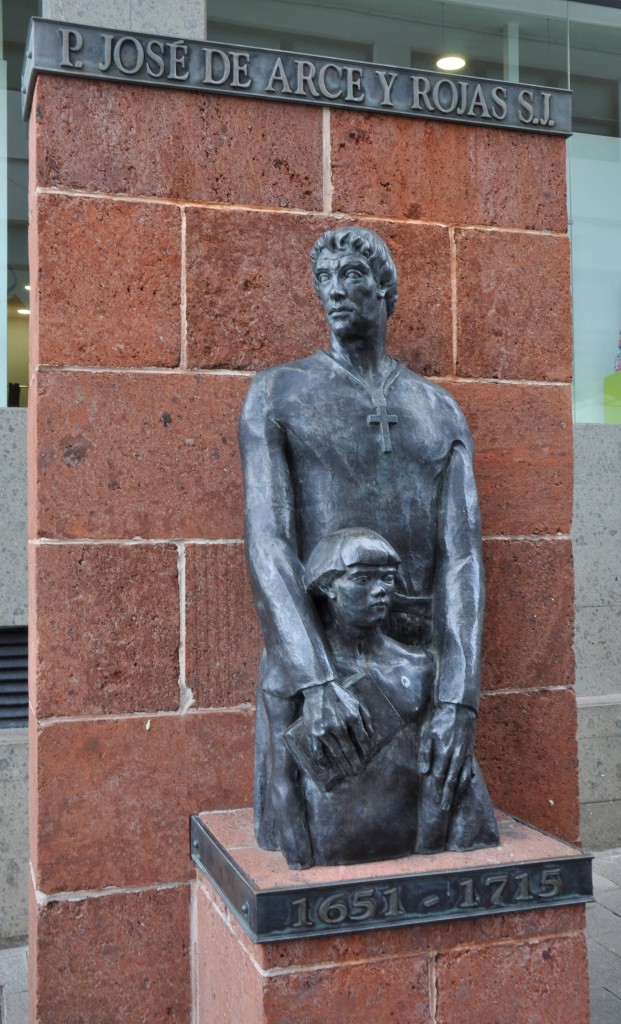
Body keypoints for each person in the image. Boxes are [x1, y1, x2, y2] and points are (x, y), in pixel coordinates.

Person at [238, 225, 498, 868]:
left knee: (458, 841)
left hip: (420, 670)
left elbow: (464, 560)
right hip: (322, 670)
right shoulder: (278, 393)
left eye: (351, 275)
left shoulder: (438, 410)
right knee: (324, 858)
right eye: (323, 280)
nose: (334, 291)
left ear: (384, 287)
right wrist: (317, 680)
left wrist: (457, 700)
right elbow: (268, 543)